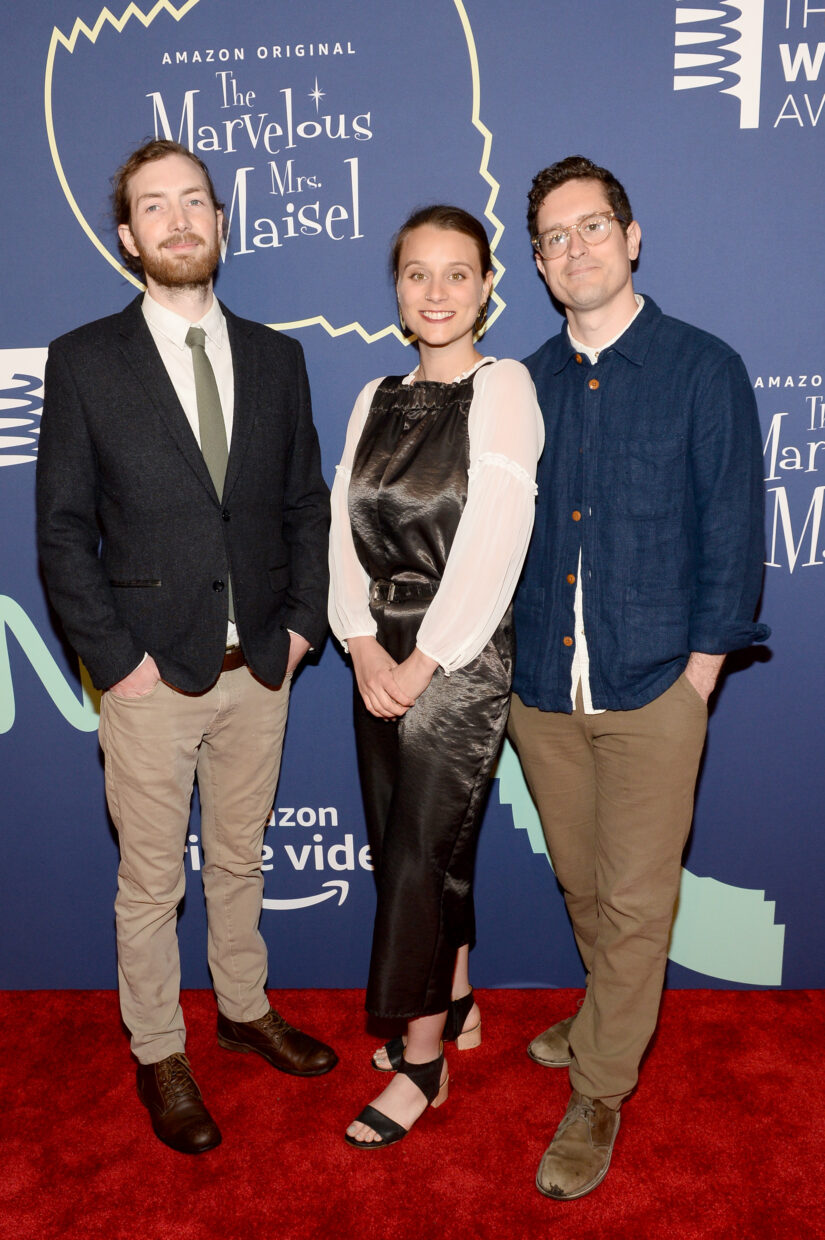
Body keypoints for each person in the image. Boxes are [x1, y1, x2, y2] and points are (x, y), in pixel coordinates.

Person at [36, 139, 336, 1156]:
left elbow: (304, 504)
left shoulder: (279, 358)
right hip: (149, 675)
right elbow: (63, 531)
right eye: (154, 206)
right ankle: (159, 1048)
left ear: (221, 220)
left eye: (194, 201)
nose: (178, 220)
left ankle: (243, 1009)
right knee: (151, 882)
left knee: (242, 859)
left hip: (262, 667)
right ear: (128, 236)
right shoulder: (85, 360)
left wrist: (301, 627)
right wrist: (116, 661)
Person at [507, 155, 769, 1200]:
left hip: (657, 681)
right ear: (538, 264)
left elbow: (732, 531)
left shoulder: (703, 368)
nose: (574, 248)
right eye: (554, 237)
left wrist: (699, 672)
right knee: (581, 881)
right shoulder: (521, 385)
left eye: (591, 226)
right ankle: (607, 1011)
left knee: (634, 894)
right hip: (542, 687)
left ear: (631, 236)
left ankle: (601, 1088)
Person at [329, 205, 543, 1148]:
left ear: (487, 286)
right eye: (417, 273)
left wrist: (424, 659)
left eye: (458, 273)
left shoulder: (505, 387)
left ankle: (423, 1063)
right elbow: (338, 529)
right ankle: (453, 999)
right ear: (396, 289)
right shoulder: (373, 395)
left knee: (420, 858)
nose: (436, 291)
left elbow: (495, 537)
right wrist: (359, 641)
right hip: (378, 653)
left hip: (457, 655)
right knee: (408, 851)